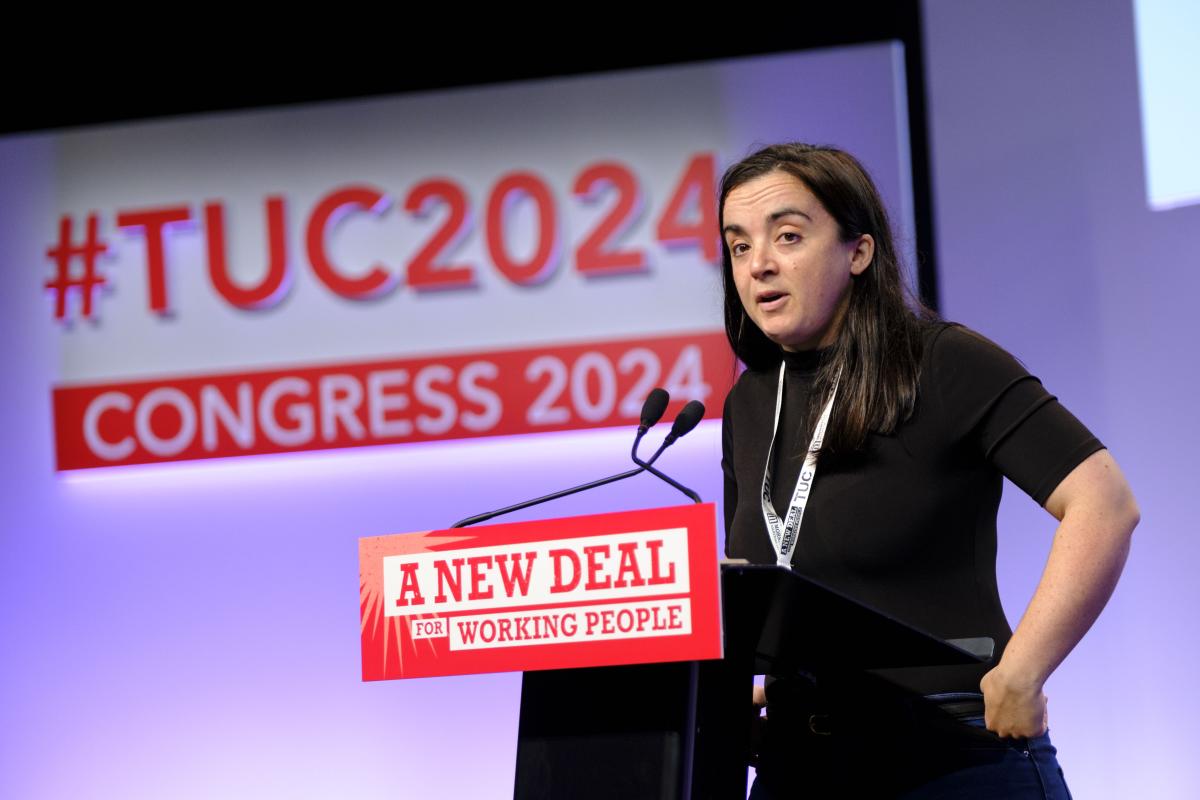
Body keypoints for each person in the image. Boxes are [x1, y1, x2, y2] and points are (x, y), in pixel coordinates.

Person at [717, 143, 1139, 798]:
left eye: (788, 236)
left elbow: (1103, 502)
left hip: (950, 757)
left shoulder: (941, 363)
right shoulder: (749, 402)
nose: (760, 265)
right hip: (799, 764)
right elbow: (763, 579)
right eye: (738, 247)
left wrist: (1024, 671)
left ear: (858, 251)